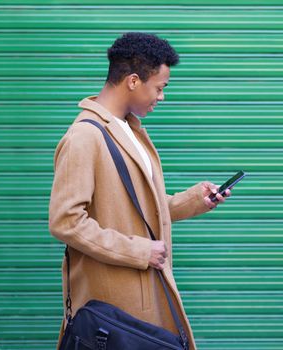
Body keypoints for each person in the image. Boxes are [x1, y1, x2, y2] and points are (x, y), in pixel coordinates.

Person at [48, 32, 230, 350]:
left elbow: (138, 209)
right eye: (159, 88)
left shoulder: (128, 129)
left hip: (140, 297)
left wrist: (194, 200)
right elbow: (66, 221)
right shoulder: (84, 136)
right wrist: (139, 250)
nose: (162, 97)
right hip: (115, 305)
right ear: (133, 81)